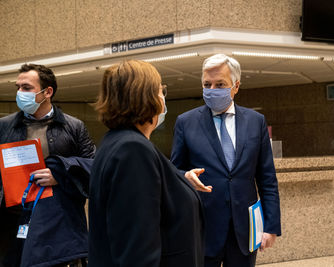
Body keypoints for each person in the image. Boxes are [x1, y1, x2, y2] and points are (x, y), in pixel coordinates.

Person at [89, 60, 204, 267]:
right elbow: (137, 248)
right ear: (146, 96)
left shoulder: (117, 141)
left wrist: (180, 180)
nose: (163, 97)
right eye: (161, 90)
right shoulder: (133, 149)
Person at [171, 54, 281, 267]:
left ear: (236, 86)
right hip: (203, 230)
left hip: (245, 231)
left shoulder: (255, 122)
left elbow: (267, 178)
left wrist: (271, 226)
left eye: (219, 84)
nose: (212, 89)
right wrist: (184, 176)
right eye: (207, 84)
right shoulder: (186, 122)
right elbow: (174, 171)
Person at [0, 64, 95, 267]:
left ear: (47, 92)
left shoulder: (73, 126)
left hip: (58, 221)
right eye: (17, 87)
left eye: (26, 88)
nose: (19, 93)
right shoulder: (4, 126)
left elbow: (93, 168)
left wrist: (60, 175)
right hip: (14, 220)